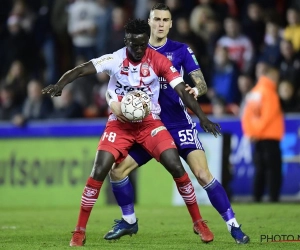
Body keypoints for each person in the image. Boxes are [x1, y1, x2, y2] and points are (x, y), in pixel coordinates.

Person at [42, 18, 221, 247]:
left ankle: (198, 222)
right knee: (100, 169)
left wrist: (202, 117)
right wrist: (60, 85)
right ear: (126, 40)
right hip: (119, 124)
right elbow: (81, 70)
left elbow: (182, 91)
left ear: (147, 40)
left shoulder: (158, 60)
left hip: (150, 124)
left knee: (176, 165)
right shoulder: (115, 59)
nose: (138, 49)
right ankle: (79, 230)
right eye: (134, 44)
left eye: (142, 44)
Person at [104, 3, 249, 245]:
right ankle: (129, 221)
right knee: (117, 171)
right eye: (156, 19)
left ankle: (233, 225)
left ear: (171, 24)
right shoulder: (134, 49)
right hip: (147, 126)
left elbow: (200, 82)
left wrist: (197, 89)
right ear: (149, 22)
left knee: (202, 175)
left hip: (179, 124)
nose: (160, 24)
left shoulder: (181, 50)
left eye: (165, 20)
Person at [241, 66, 284, 203]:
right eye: (276, 77)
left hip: (256, 138)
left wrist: (252, 133)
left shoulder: (254, 92)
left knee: (260, 169)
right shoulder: (270, 92)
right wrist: (258, 132)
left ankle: (257, 197)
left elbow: (246, 116)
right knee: (273, 170)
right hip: (269, 136)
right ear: (271, 76)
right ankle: (273, 198)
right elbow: (268, 116)